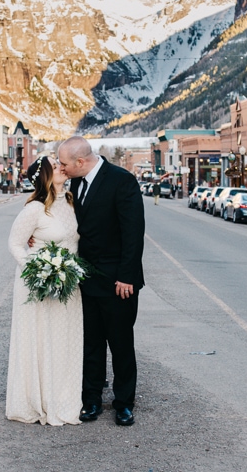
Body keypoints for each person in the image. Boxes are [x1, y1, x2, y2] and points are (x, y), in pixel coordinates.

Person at [57, 136, 145, 427]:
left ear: (80, 162)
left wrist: (127, 276)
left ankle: (124, 404)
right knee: (90, 344)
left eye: (64, 163)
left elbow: (133, 232)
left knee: (120, 344)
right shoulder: (76, 183)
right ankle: (91, 400)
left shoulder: (122, 181)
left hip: (118, 282)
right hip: (86, 279)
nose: (62, 168)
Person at [6, 156, 83, 426]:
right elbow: (16, 244)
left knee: (65, 340)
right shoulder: (34, 209)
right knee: (40, 339)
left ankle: (63, 396)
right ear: (45, 176)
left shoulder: (73, 202)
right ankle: (37, 399)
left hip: (69, 284)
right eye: (56, 165)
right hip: (39, 285)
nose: (63, 166)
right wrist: (39, 271)